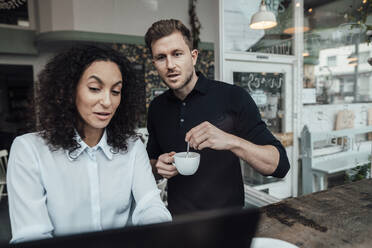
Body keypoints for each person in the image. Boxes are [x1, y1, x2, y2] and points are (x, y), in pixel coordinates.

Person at [6, 45, 171, 243]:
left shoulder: (132, 147)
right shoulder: (29, 150)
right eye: (94, 89)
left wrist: (160, 233)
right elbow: (32, 235)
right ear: (67, 91)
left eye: (116, 91)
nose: (107, 102)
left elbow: (149, 205)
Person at [144, 19, 290, 216]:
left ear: (193, 56)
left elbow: (280, 165)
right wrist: (157, 167)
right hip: (179, 224)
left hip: (228, 223)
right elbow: (151, 163)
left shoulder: (233, 97)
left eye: (177, 54)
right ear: (154, 63)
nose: (170, 65)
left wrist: (230, 141)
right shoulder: (157, 108)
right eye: (161, 57)